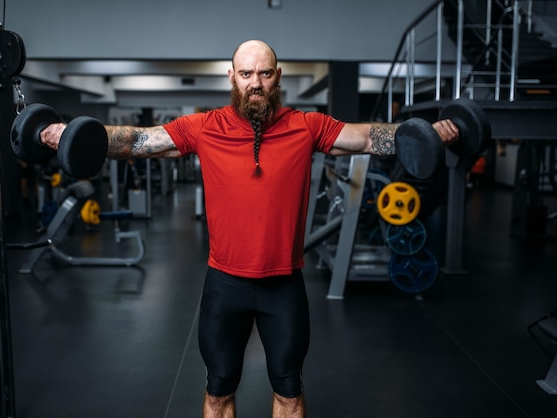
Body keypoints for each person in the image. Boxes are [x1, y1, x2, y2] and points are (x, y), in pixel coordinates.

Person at [40, 40, 459, 418]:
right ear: (232, 77)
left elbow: (367, 138)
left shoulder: (306, 125)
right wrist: (77, 135)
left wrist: (423, 135)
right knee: (218, 393)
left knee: (290, 394)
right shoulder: (205, 127)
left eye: (264, 73)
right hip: (225, 285)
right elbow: (134, 141)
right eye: (246, 74)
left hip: (284, 286)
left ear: (276, 76)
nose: (255, 83)